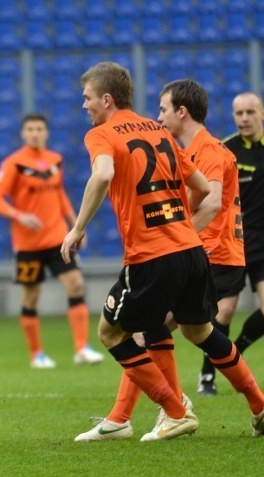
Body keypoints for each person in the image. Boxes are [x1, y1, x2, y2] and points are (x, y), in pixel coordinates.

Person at [61, 62, 264, 441]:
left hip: (150, 255)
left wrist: (77, 228)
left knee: (110, 332)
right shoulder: (159, 131)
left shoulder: (102, 135)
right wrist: (180, 226)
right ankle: (258, 403)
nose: (83, 106)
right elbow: (203, 189)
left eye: (87, 98)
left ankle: (174, 410)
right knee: (197, 329)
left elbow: (102, 174)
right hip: (191, 251)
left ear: (106, 100)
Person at [0, 114, 104, 368]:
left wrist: (77, 226)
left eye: (39, 128)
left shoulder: (55, 160)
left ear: (46, 132)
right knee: (31, 296)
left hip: (56, 237)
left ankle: (82, 348)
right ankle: (36, 354)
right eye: (30, 129)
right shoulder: (13, 163)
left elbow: (59, 194)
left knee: (75, 284)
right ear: (23, 133)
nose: (35, 133)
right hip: (27, 245)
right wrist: (19, 215)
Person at [207, 92, 264, 394]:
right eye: (239, 113)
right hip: (233, 241)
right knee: (224, 311)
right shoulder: (226, 151)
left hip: (263, 244)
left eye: (250, 112)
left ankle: (236, 350)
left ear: (261, 114)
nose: (244, 118)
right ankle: (207, 375)